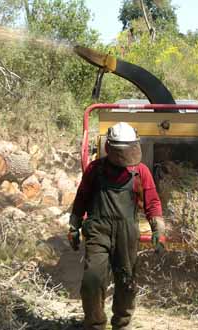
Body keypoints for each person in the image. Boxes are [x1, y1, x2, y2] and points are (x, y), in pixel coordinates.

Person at [68, 122, 165, 330]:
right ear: (110, 149)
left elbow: (152, 202)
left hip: (126, 234)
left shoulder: (140, 172)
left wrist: (159, 230)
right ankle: (95, 324)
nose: (125, 157)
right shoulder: (96, 170)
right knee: (92, 279)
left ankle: (122, 324)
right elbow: (82, 197)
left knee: (126, 283)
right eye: (122, 152)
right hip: (98, 231)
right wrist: (74, 226)